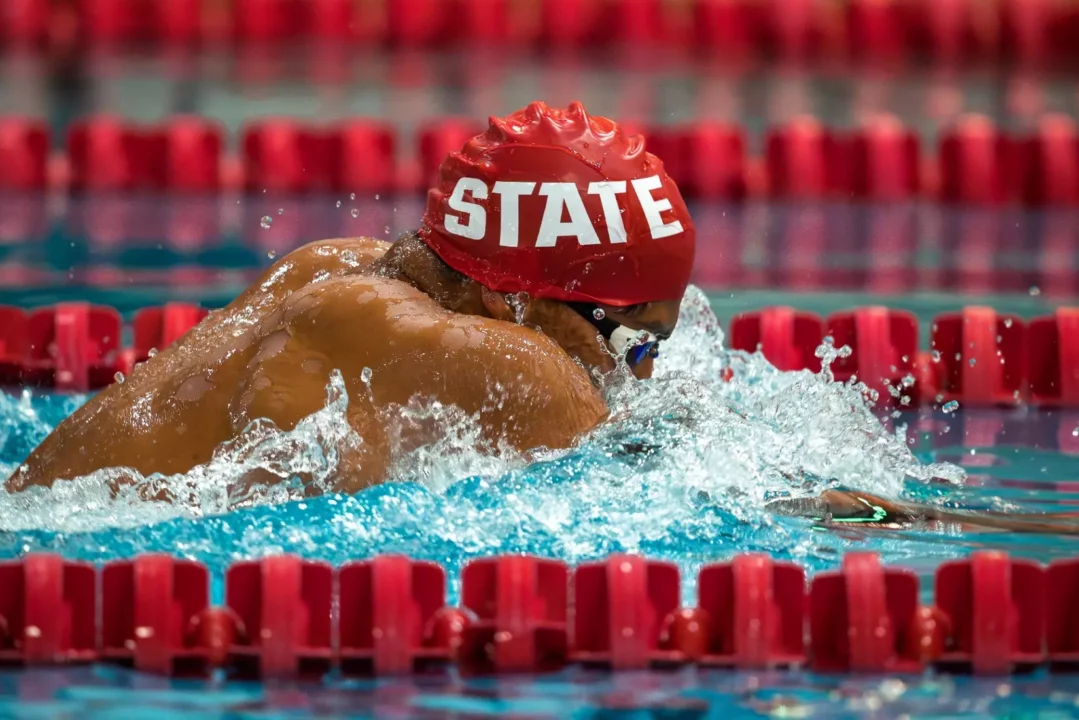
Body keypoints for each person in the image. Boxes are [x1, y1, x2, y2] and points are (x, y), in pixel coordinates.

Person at [7, 101, 695, 494]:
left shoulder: (332, 267)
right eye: (629, 340)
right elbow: (648, 501)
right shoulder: (511, 360)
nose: (639, 373)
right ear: (502, 297)